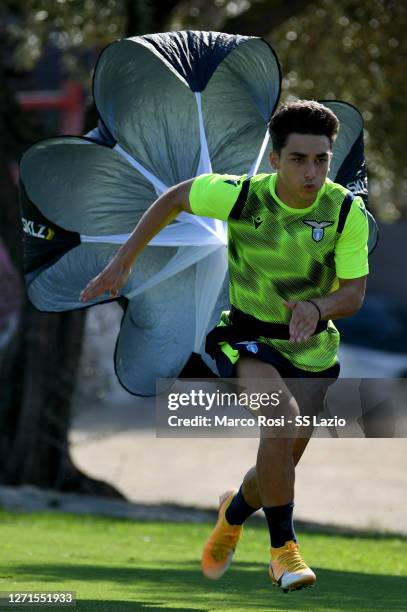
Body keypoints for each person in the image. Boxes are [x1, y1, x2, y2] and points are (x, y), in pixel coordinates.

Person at [80, 99, 369, 593]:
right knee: (280, 421)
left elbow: (354, 294)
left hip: (314, 349)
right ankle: (283, 552)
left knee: (274, 466)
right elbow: (174, 197)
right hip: (246, 339)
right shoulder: (239, 197)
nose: (312, 171)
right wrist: (125, 260)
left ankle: (232, 513)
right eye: (299, 159)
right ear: (275, 159)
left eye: (321, 159)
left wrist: (317, 308)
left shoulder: (344, 211)